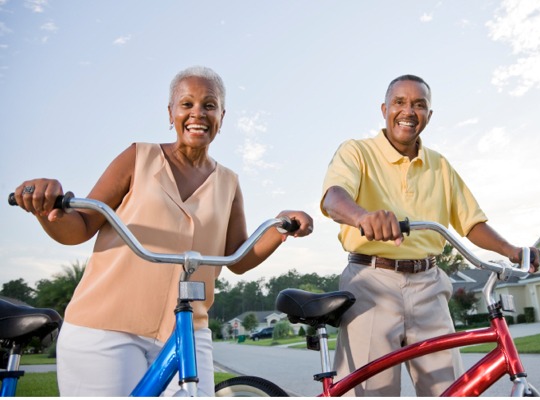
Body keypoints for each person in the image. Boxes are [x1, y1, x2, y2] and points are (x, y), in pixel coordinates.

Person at [13, 66, 314, 396]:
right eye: (186, 104)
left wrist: (279, 226)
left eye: (209, 105)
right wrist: (45, 210)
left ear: (222, 116)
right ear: (170, 113)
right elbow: (80, 228)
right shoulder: (137, 157)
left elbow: (238, 258)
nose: (197, 113)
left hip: (186, 330)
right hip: (105, 328)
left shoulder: (229, 182)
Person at [320, 74, 540, 396]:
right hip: (371, 281)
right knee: (370, 393)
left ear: (428, 115)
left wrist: (510, 249)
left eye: (419, 105)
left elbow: (471, 222)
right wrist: (363, 216)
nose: (408, 111)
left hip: (429, 284)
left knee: (451, 389)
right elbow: (333, 198)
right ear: (384, 109)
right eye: (399, 102)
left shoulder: (440, 165)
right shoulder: (356, 151)